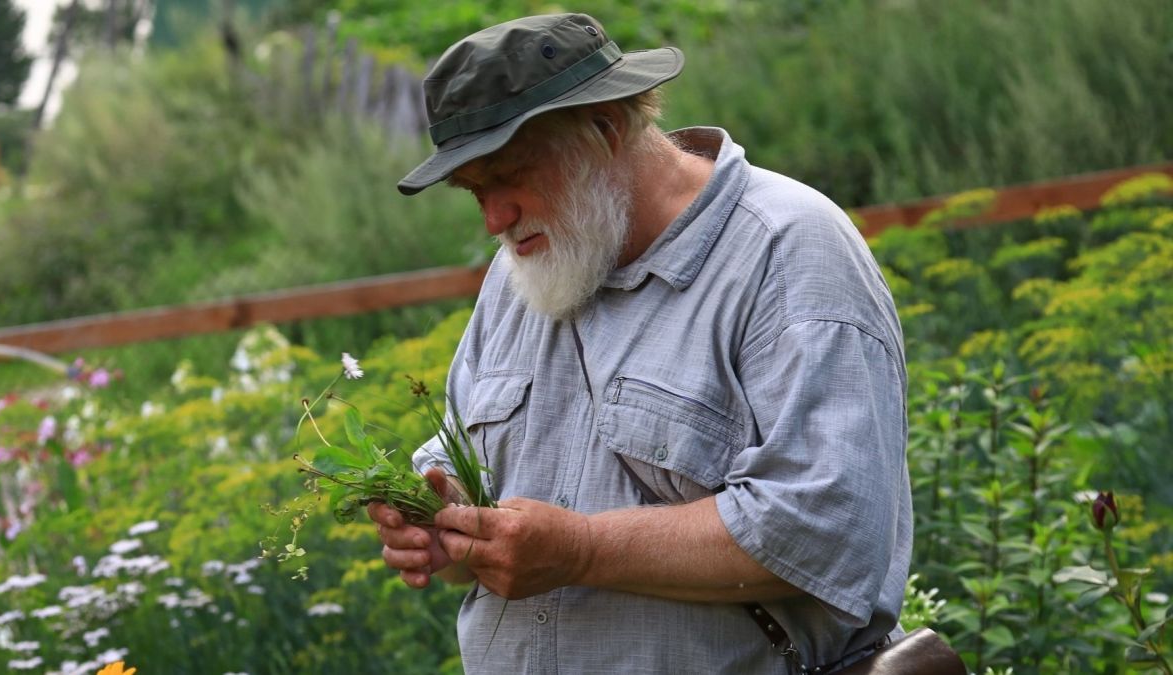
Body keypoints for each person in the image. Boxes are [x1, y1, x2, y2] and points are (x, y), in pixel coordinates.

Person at [369, 12, 913, 674]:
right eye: (474, 191)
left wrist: (583, 550)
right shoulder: (524, 272)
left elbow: (826, 528)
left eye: (509, 173)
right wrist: (442, 526)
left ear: (605, 128)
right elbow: (473, 489)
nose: (493, 219)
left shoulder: (788, 250)